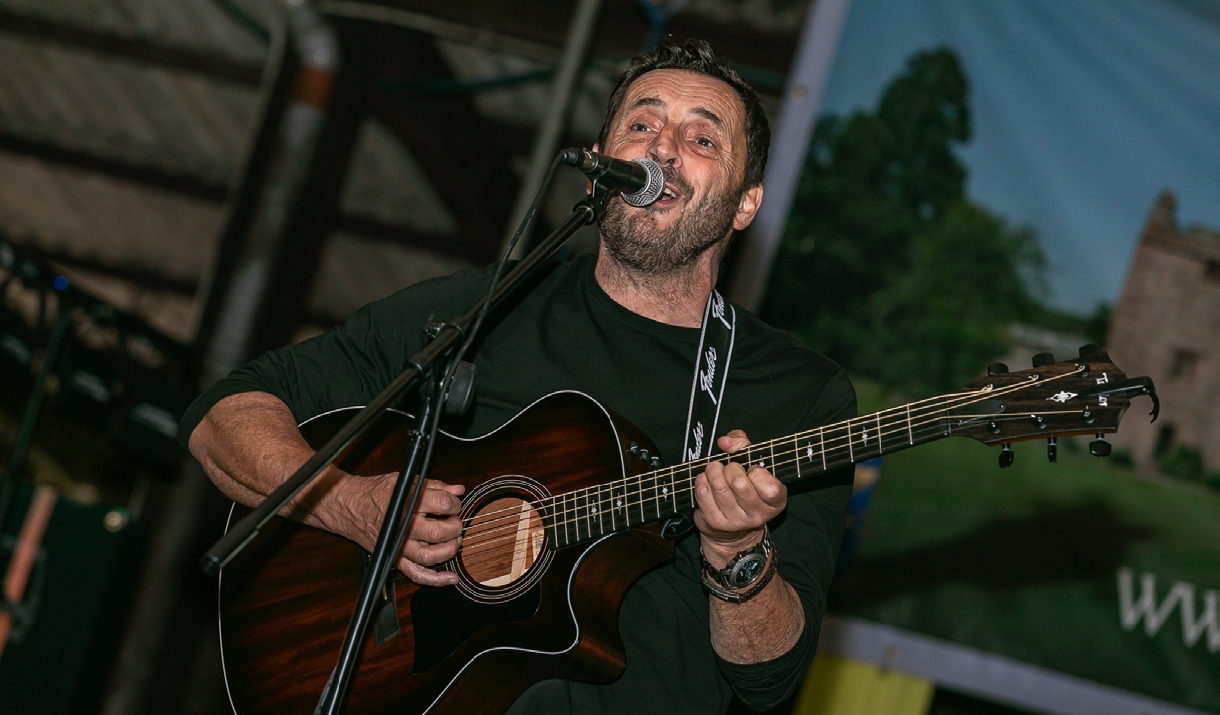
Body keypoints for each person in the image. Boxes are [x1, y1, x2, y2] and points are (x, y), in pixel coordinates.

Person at [180, 39, 856, 714]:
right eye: (643, 125)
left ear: (745, 204)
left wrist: (737, 552)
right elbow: (224, 413)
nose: (664, 148)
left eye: (703, 139)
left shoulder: (796, 392)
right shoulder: (480, 311)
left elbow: (768, 678)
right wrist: (349, 502)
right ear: (596, 171)